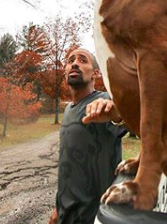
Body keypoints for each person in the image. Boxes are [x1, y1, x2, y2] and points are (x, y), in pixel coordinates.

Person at [48, 48, 127, 224]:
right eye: (70, 61)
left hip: (94, 216)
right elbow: (67, 165)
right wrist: (57, 207)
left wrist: (116, 114)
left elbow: (136, 126)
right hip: (65, 214)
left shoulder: (105, 101)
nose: (74, 63)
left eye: (83, 60)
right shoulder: (68, 109)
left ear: (96, 74)